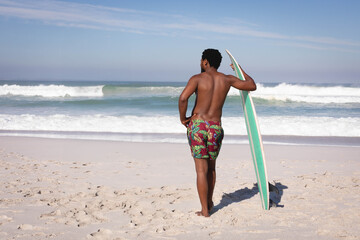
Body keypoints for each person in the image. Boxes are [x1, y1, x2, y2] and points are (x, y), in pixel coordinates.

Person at [178, 48, 257, 217]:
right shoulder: (227, 79)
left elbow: (183, 98)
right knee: (211, 169)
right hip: (215, 128)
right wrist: (238, 69)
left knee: (201, 170)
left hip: (198, 125)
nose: (200, 63)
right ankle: (210, 202)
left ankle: (205, 210)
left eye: (201, 61)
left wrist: (183, 118)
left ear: (205, 61)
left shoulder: (197, 78)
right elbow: (251, 85)